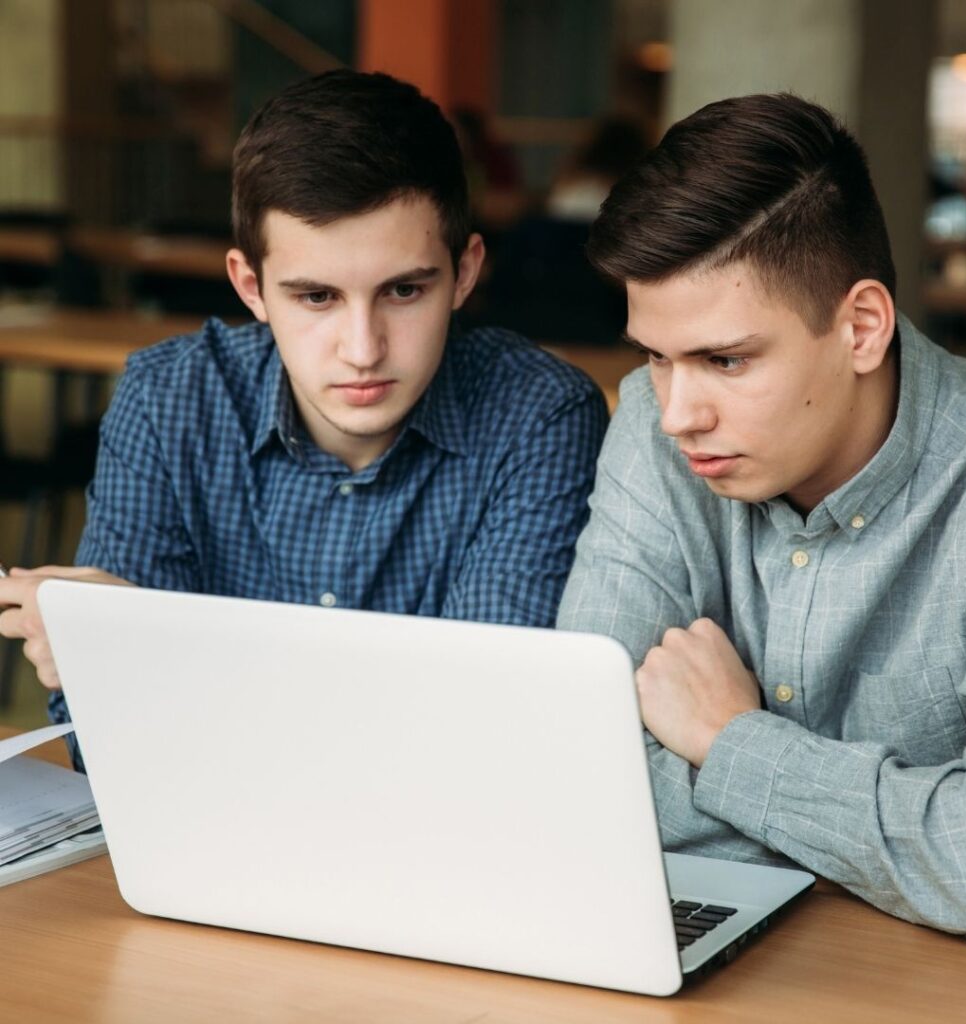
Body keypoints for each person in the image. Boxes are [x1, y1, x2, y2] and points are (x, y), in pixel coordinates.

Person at [0, 69, 608, 765]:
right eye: (316, 297)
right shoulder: (168, 400)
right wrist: (112, 668)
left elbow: (486, 734)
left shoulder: (541, 415)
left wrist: (160, 660)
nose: (363, 349)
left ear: (465, 274)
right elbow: (105, 744)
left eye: (404, 290)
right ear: (250, 287)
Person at [557, 92, 966, 955]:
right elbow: (578, 773)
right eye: (655, 357)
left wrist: (728, 742)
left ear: (861, 327)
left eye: (725, 360)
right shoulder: (654, 433)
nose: (676, 414)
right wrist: (914, 849)